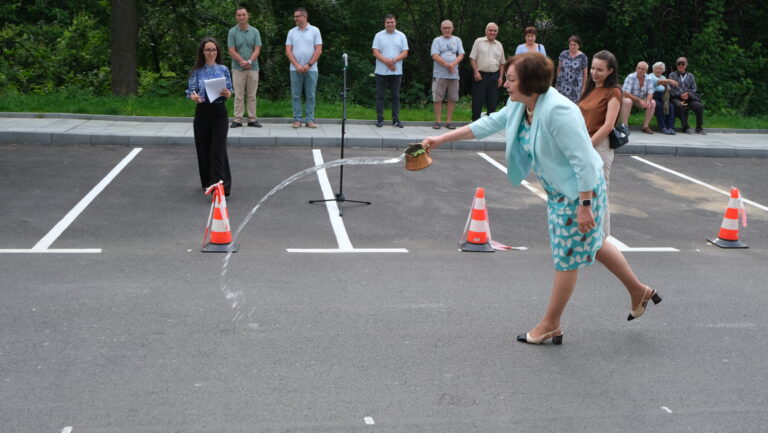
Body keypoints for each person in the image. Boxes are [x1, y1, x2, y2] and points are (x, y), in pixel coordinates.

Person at [420, 53, 660, 345]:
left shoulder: (558, 111)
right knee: (596, 243)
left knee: (566, 258)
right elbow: (490, 123)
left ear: (530, 83)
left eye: (511, 79)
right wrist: (440, 140)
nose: (505, 84)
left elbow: (584, 160)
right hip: (562, 191)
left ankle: (550, 324)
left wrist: (585, 206)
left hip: (579, 192)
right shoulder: (522, 104)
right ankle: (639, 291)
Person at [578, 50, 622, 237]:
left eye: (600, 70)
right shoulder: (590, 88)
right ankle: (587, 232)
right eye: (594, 68)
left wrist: (587, 144)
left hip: (600, 145)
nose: (595, 73)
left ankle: (603, 236)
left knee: (600, 189)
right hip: (585, 143)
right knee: (584, 189)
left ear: (610, 71)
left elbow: (608, 125)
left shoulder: (614, 92)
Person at [186, 37, 234, 196]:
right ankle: (207, 182)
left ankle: (221, 186)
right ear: (202, 52)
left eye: (214, 50)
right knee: (204, 148)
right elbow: (190, 91)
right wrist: (193, 97)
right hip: (202, 112)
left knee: (218, 149)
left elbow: (229, 91)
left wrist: (228, 93)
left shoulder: (223, 69)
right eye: (208, 50)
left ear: (217, 52)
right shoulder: (196, 71)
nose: (211, 52)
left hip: (219, 112)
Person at [285, 7, 322, 129]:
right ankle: (297, 120)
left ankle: (310, 120)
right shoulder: (292, 32)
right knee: (296, 95)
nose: (295, 18)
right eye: (295, 16)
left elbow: (318, 50)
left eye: (297, 16)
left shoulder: (315, 31)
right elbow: (288, 50)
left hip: (311, 69)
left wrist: (308, 64)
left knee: (310, 96)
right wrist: (296, 65)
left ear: (304, 17)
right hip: (294, 69)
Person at [227, 6, 262, 128]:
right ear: (236, 17)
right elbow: (231, 50)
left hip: (253, 68)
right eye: (239, 15)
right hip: (238, 68)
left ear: (248, 16)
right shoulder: (232, 32)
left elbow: (257, 49)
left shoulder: (255, 31)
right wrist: (243, 61)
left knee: (252, 95)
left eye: (243, 15)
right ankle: (237, 119)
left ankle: (252, 119)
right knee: (239, 95)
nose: (241, 17)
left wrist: (250, 61)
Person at [372, 14, 409, 128]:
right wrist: (387, 62)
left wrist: (394, 60)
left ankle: (396, 120)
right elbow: (375, 52)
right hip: (381, 71)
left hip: (396, 72)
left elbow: (405, 52)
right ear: (385, 23)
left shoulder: (401, 35)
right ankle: (379, 119)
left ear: (395, 23)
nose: (390, 24)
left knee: (395, 96)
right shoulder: (378, 35)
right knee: (380, 96)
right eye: (388, 22)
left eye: (392, 22)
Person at [430, 20, 464, 130]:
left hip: (453, 75)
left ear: (452, 29)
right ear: (441, 29)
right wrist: (447, 65)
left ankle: (449, 121)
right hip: (440, 74)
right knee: (438, 98)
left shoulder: (457, 40)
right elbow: (435, 55)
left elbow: (461, 54)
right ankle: (438, 121)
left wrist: (453, 64)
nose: (447, 30)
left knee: (452, 98)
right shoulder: (437, 40)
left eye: (449, 28)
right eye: (445, 28)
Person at [469, 22, 505, 121]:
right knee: (477, 99)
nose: (492, 32)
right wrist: (476, 72)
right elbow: (472, 58)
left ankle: (490, 123)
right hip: (480, 75)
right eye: (490, 30)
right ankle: (475, 121)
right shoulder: (478, 41)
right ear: (486, 31)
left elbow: (502, 63)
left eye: (495, 31)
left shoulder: (499, 45)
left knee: (492, 100)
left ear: (497, 33)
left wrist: (501, 77)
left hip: (494, 76)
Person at [668, 57, 705, 134]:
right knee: (681, 106)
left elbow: (694, 88)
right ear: (676, 65)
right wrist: (680, 94)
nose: (680, 65)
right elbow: (670, 89)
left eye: (683, 64)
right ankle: (685, 127)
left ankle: (699, 127)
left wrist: (688, 94)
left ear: (686, 65)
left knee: (699, 106)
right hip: (676, 98)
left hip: (689, 98)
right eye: (679, 64)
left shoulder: (690, 75)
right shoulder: (672, 75)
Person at [620, 61, 656, 134]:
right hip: (629, 97)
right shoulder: (631, 77)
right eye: (638, 68)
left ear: (646, 71)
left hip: (641, 99)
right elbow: (625, 93)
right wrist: (639, 101)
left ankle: (645, 126)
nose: (639, 70)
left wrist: (648, 101)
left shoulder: (649, 78)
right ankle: (624, 126)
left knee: (652, 103)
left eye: (642, 69)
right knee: (628, 101)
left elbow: (650, 92)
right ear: (636, 68)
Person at [554, 35, 588, 103]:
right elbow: (559, 69)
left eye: (574, 45)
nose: (572, 47)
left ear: (578, 45)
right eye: (570, 44)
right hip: (562, 85)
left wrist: (583, 88)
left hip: (575, 87)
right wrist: (557, 82)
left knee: (573, 106)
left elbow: (585, 74)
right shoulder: (563, 54)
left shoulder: (582, 57)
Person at [648, 61, 677, 135]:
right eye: (657, 68)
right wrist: (670, 80)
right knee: (659, 106)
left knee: (670, 106)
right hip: (652, 96)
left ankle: (670, 127)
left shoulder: (663, 77)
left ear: (663, 70)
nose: (658, 70)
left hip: (662, 97)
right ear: (653, 69)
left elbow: (667, 86)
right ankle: (662, 127)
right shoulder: (650, 76)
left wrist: (668, 87)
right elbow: (659, 81)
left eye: (660, 69)